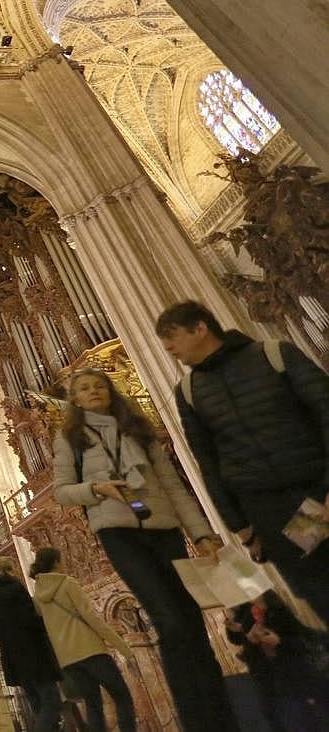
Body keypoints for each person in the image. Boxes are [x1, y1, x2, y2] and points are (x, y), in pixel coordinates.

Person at [52, 367, 236, 730]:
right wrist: (96, 489)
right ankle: (195, 718)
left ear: (110, 391)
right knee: (168, 619)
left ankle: (222, 716)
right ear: (75, 399)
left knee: (191, 620)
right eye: (84, 388)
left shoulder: (138, 429)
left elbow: (172, 486)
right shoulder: (70, 437)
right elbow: (61, 490)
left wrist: (201, 533)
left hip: (163, 526)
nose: (93, 392)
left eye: (99, 386)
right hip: (118, 532)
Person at [156, 301, 329, 623]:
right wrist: (241, 528)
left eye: (171, 335)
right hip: (267, 508)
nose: (167, 347)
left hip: (316, 488)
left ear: (200, 327)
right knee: (317, 588)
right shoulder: (189, 391)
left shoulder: (274, 354)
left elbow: (325, 411)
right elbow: (208, 462)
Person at [28, 547, 136, 732]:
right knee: (122, 696)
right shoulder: (67, 583)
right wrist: (123, 647)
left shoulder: (38, 596)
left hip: (68, 660)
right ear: (55, 562)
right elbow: (91, 617)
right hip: (91, 650)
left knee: (93, 704)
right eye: (60, 561)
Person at [229, 591, 329, 730]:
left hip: (295, 674)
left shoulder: (279, 612)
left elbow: (304, 641)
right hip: (269, 677)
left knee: (306, 716)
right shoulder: (249, 615)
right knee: (280, 716)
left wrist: (279, 642)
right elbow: (243, 642)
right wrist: (250, 639)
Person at [0, 560, 59, 732]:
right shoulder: (16, 590)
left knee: (37, 706)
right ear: (10, 571)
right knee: (52, 703)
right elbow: (29, 620)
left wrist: (10, 640)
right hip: (34, 656)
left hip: (16, 662)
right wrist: (45, 623)